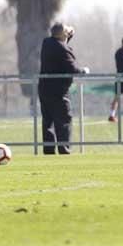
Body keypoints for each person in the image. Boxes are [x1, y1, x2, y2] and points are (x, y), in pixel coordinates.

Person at [38, 22, 88, 154]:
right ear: (64, 35)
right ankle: (64, 149)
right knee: (64, 120)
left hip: (44, 89)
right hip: (58, 91)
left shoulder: (46, 43)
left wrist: (68, 34)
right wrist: (84, 71)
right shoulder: (63, 49)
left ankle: (48, 150)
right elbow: (73, 69)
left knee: (48, 122)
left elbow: (61, 44)